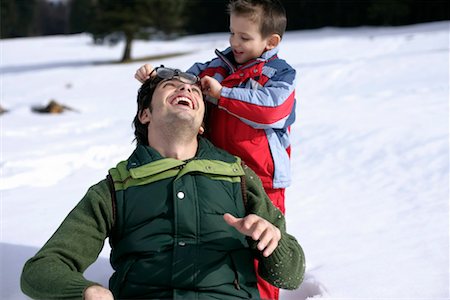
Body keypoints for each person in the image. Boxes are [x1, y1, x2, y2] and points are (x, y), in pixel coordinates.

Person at [20, 67, 305, 300]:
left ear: (203, 123)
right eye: (171, 86)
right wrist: (86, 292)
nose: (185, 90)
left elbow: (290, 275)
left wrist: (274, 242)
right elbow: (41, 269)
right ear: (146, 114)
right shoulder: (114, 189)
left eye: (194, 90)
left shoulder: (239, 177)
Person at [135, 1, 296, 298]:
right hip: (218, 175)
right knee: (223, 239)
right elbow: (184, 80)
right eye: (232, 33)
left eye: (245, 37)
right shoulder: (216, 68)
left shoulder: (278, 73)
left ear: (271, 41)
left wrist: (223, 96)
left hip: (263, 179)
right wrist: (157, 74)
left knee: (263, 241)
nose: (234, 42)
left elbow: (274, 109)